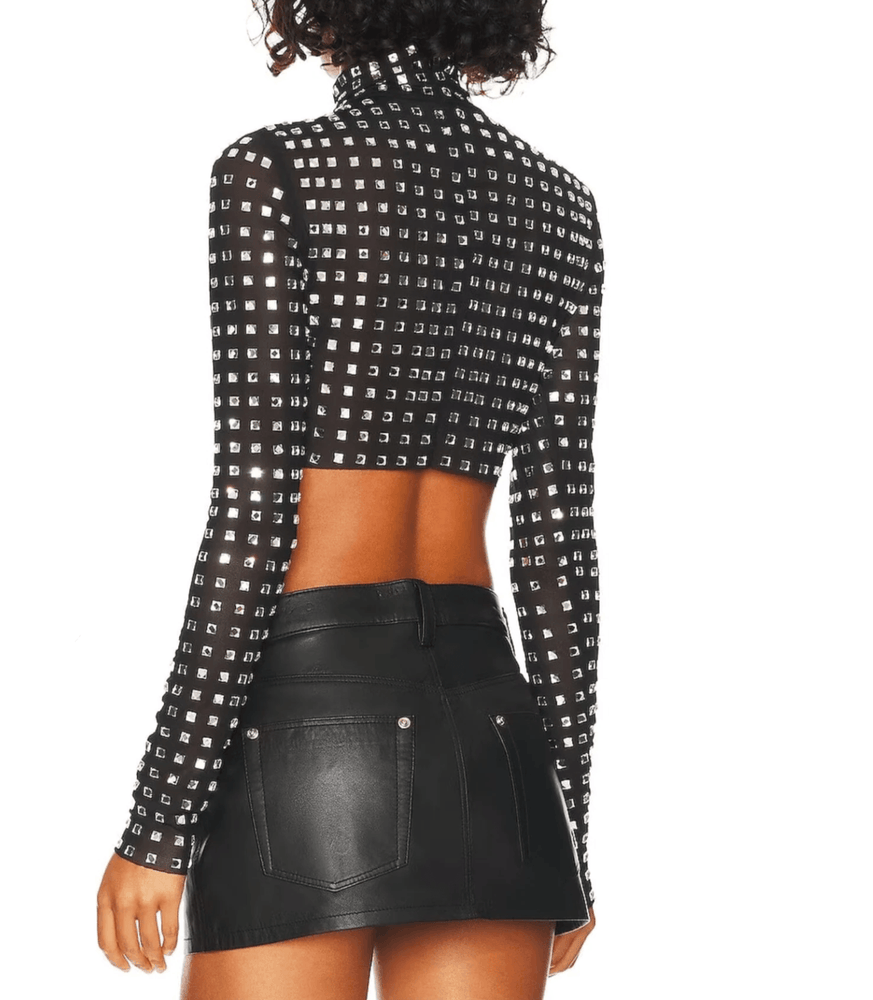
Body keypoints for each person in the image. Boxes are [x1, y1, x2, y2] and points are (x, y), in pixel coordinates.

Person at [96, 2, 604, 996]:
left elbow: (254, 514)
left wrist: (159, 820)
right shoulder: (559, 205)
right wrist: (567, 829)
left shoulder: (277, 171)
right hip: (492, 735)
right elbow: (559, 552)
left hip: (309, 717)